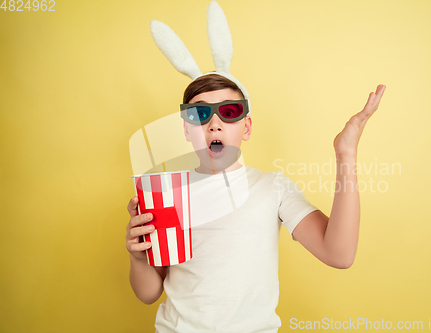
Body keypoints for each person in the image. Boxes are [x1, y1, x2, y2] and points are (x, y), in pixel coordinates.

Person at [126, 73, 386, 332]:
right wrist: (138, 259)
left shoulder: (273, 187)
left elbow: (339, 254)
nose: (214, 124)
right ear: (186, 129)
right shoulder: (167, 193)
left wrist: (346, 153)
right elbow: (148, 293)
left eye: (228, 112)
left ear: (247, 127)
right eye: (199, 114)